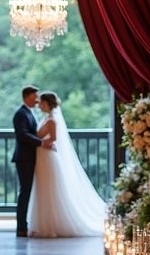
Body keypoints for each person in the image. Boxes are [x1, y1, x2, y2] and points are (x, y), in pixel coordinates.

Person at [28, 91, 106, 237]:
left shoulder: (51, 120)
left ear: (47, 104)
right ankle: (42, 224)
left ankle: (50, 225)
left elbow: (54, 138)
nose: (40, 106)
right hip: (43, 156)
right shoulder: (48, 118)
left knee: (48, 189)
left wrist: (43, 143)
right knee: (43, 188)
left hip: (48, 156)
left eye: (42, 103)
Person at [12, 85, 52, 238]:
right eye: (35, 96)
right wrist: (42, 143)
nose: (37, 100)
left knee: (27, 191)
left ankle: (24, 225)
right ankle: (21, 227)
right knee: (25, 192)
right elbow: (23, 135)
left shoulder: (28, 113)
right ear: (28, 97)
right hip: (24, 158)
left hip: (30, 157)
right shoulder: (20, 114)